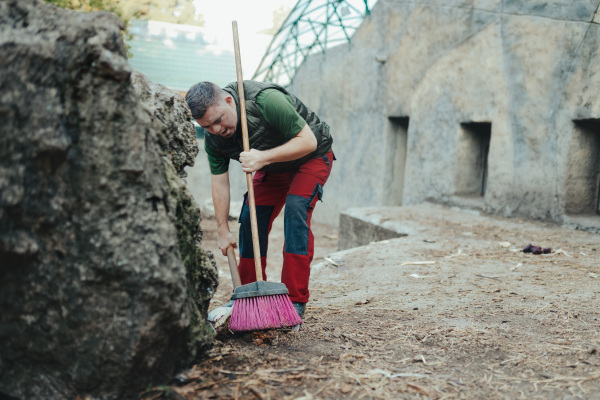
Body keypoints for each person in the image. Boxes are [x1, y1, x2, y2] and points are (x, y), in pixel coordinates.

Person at [185, 80, 334, 319]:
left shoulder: (266, 101)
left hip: (311, 157)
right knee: (250, 216)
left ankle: (295, 300)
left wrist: (262, 158)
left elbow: (308, 141)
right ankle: (248, 295)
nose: (216, 129)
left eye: (218, 119)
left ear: (229, 101)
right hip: (273, 166)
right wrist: (222, 229)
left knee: (296, 210)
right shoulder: (214, 139)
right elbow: (220, 181)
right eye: (207, 126)